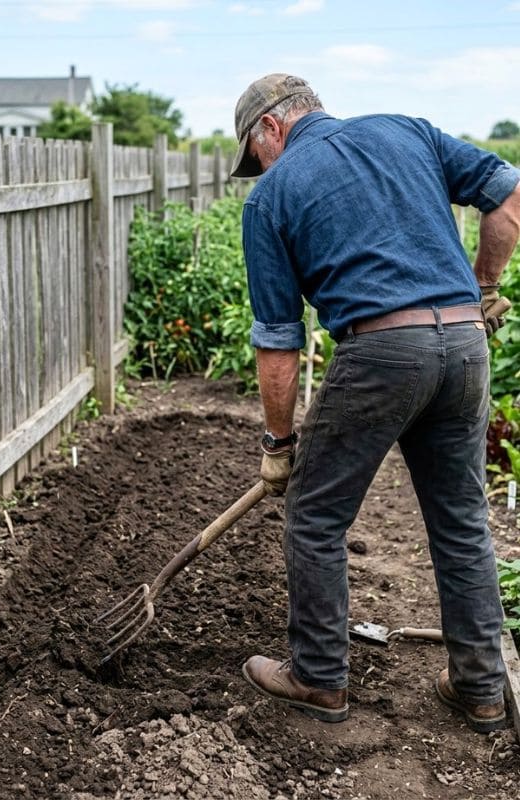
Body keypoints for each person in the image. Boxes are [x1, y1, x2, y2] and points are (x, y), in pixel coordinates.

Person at [231, 73, 520, 732]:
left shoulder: (273, 196)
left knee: (314, 515)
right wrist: (483, 286)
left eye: (256, 154)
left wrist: (278, 445)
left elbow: (277, 343)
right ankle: (479, 689)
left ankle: (318, 678)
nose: (260, 170)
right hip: (466, 347)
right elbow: (509, 196)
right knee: (461, 518)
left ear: (272, 127)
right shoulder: (407, 130)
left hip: (383, 353)